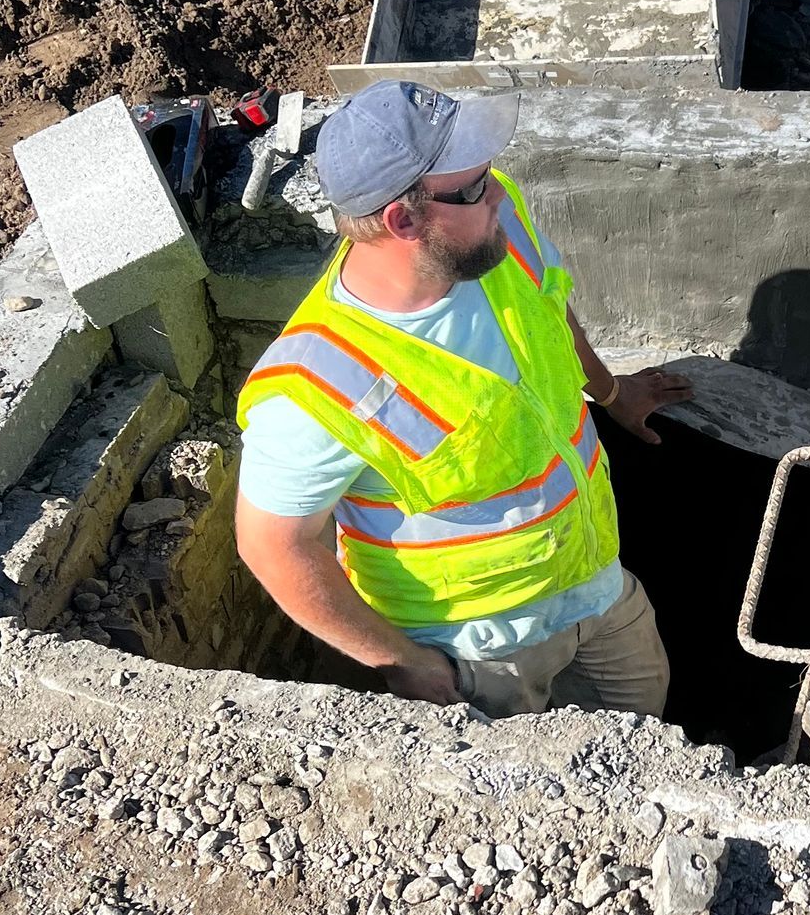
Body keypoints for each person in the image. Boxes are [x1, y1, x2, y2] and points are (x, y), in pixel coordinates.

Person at [234, 81, 690, 716]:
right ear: (404, 220)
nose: (499, 191)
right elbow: (273, 545)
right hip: (481, 650)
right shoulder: (319, 388)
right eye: (473, 186)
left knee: (650, 737)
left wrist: (611, 393)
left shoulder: (493, 239)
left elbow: (550, 309)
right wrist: (401, 662)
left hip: (595, 582)